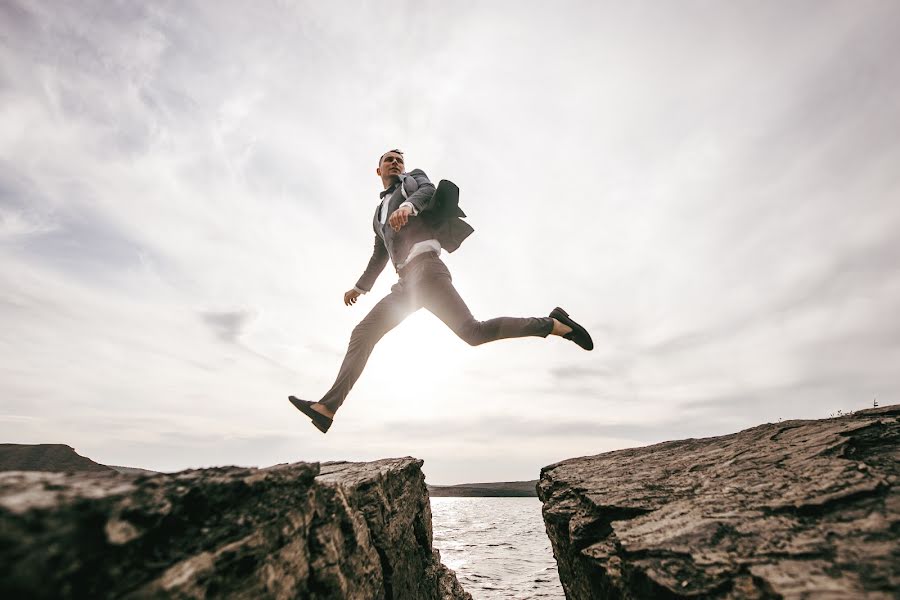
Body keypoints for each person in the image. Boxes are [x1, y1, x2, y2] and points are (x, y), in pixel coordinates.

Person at [289, 149, 593, 433]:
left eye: (399, 159)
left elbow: (428, 190)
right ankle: (327, 408)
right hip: (406, 284)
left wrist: (409, 205)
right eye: (389, 159)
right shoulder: (378, 213)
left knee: (473, 333)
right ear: (378, 169)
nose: (395, 162)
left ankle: (553, 324)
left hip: (428, 271)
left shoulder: (413, 181)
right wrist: (360, 286)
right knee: (364, 333)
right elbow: (379, 253)